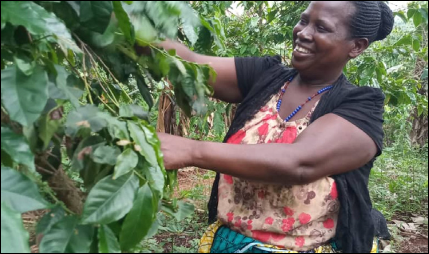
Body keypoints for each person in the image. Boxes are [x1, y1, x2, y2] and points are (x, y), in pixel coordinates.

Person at [144, 1, 395, 253]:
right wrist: (125, 25)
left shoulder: (361, 107)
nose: (303, 33)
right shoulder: (265, 76)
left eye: (322, 28)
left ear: (357, 46)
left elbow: (298, 163)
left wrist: (191, 151)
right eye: (304, 20)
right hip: (230, 243)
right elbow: (189, 64)